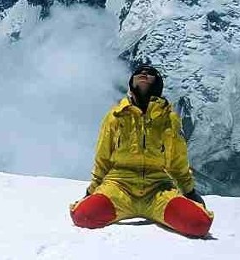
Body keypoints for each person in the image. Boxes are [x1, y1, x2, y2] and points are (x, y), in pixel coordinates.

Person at [69, 63, 214, 237]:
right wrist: (92, 190)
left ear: (158, 83)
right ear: (131, 82)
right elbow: (103, 158)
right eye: (139, 72)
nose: (144, 73)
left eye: (150, 72)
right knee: (82, 216)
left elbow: (178, 160)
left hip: (158, 190)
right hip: (118, 187)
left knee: (199, 224)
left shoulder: (169, 119)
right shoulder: (115, 117)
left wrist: (189, 191)